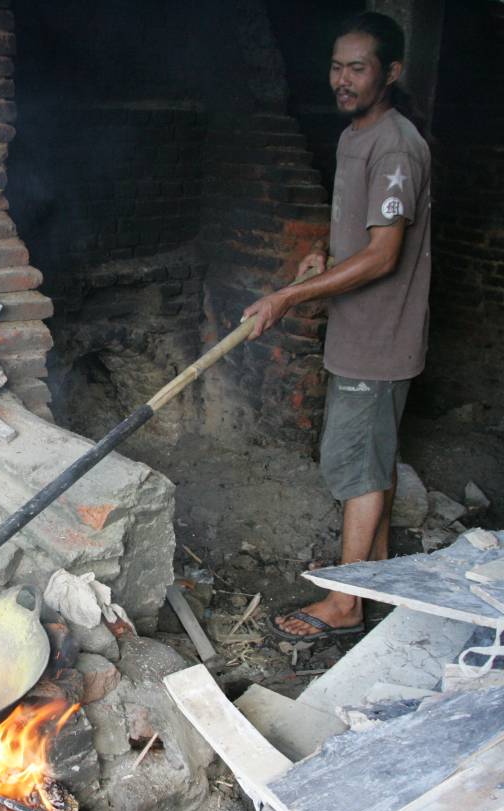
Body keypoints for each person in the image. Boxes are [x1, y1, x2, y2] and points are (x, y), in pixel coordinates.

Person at [241, 12, 432, 640]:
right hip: (358, 332)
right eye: (336, 66)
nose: (342, 80)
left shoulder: (396, 144)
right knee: (368, 460)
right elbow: (358, 232)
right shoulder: (356, 135)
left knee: (353, 462)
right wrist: (323, 254)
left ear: (391, 72)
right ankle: (370, 575)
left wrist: (289, 297)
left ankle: (347, 606)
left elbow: (383, 255)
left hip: (379, 337)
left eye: (358, 68)